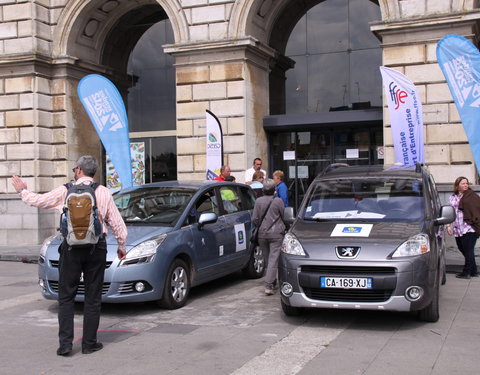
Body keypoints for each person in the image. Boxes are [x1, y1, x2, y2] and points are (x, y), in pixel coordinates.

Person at [11, 155, 127, 356]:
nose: (74, 171)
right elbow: (116, 222)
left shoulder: (66, 190)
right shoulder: (103, 192)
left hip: (71, 248)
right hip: (96, 248)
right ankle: (89, 343)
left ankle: (65, 345)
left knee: (66, 297)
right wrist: (121, 245)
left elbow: (39, 201)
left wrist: (22, 190)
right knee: (92, 297)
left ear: (80, 170)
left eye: (75, 169)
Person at [251, 178, 286, 295]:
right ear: (274, 189)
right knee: (273, 260)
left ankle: (272, 281)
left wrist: (261, 226)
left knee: (267, 260)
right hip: (276, 233)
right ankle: (269, 285)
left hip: (262, 234)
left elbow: (254, 219)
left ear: (263, 189)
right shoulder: (278, 201)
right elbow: (284, 215)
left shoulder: (258, 201)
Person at [447, 176, 480, 279]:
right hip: (458, 228)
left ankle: (466, 272)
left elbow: (477, 210)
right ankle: (474, 271)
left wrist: (475, 221)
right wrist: (448, 225)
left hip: (470, 227)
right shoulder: (452, 197)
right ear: (457, 186)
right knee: (463, 249)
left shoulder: (472, 196)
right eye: (463, 183)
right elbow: (450, 212)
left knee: (468, 249)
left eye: (467, 183)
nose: (466, 185)